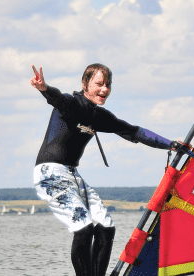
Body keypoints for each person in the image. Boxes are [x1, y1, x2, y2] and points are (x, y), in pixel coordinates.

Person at [29, 63, 175, 276]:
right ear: (85, 84)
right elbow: (58, 98)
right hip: (50, 175)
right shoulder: (74, 104)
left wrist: (170, 144)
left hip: (72, 175)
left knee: (106, 227)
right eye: (99, 84)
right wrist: (44, 88)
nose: (104, 89)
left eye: (108, 85)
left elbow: (134, 132)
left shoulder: (99, 117)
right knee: (84, 227)